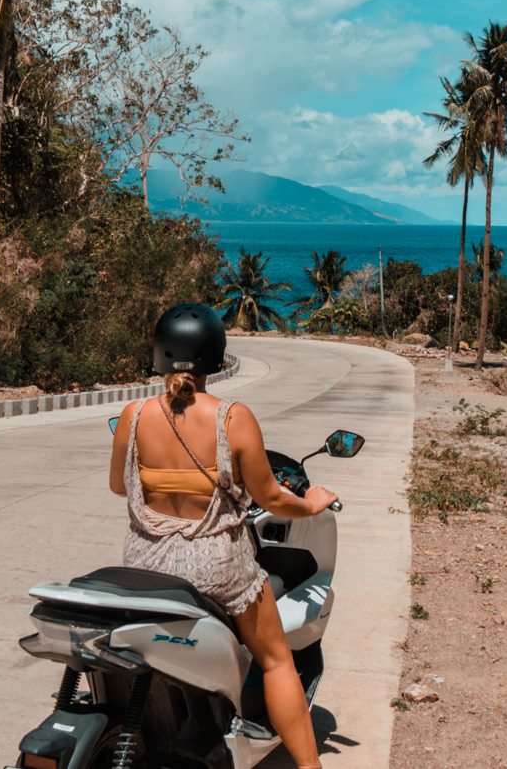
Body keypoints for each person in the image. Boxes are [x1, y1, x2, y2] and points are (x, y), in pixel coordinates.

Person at [109, 302, 337, 769]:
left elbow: (119, 485)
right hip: (215, 567)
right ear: (216, 354)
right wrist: (312, 502)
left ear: (159, 353)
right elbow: (271, 498)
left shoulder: (133, 415)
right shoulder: (231, 416)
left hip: (145, 564)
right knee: (276, 660)